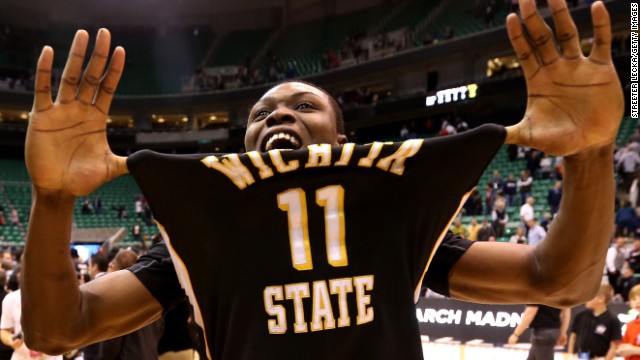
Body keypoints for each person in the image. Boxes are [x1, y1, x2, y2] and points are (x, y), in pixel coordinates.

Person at [21, 0, 623, 359]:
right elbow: (57, 327)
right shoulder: (202, 236)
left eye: (304, 106)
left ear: (341, 143)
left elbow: (561, 280)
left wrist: (591, 153)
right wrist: (51, 199)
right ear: (245, 145)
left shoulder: (385, 217)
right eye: (261, 113)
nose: (279, 113)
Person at [568, 284, 621, 360]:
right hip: (579, 357)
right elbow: (573, 337)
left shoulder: (613, 320)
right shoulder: (580, 316)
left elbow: (614, 346)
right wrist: (570, 356)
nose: (585, 300)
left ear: (601, 299)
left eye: (589, 297)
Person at [618, 284, 640, 359]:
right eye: (634, 299)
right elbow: (623, 344)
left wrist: (635, 350)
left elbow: (631, 349)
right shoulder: (630, 324)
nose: (638, 301)